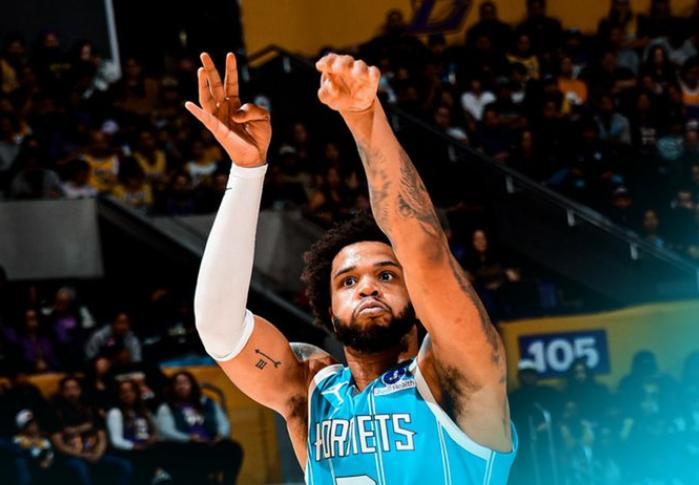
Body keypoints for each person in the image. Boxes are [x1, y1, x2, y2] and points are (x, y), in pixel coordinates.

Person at [186, 51, 516, 483]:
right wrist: (247, 172)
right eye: (347, 281)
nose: (367, 287)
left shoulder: (456, 374)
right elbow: (219, 329)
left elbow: (425, 253)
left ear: (417, 294)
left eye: (387, 275)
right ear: (329, 307)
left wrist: (364, 117)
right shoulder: (311, 389)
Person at [155, 371, 242, 484]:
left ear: (192, 385)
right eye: (178, 383)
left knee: (233, 448)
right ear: (172, 387)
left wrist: (220, 435)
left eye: (185, 382)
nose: (182, 386)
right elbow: (166, 430)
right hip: (184, 447)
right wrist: (188, 438)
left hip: (210, 444)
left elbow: (223, 423)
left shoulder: (208, 402)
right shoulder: (166, 407)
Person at [49, 376, 132, 485]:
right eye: (67, 389)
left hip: (95, 451)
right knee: (81, 469)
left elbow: (102, 436)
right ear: (62, 392)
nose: (71, 392)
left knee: (125, 465)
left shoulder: (90, 408)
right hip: (72, 455)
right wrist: (83, 455)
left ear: (80, 390)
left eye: (74, 388)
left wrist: (97, 453)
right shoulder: (54, 412)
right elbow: (60, 446)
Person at [107, 380, 170, 485]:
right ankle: (158, 474)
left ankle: (160, 475)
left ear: (136, 393)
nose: (128, 394)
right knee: (147, 455)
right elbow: (116, 440)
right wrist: (134, 446)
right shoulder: (115, 413)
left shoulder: (144, 411)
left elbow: (157, 430)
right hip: (128, 449)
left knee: (164, 447)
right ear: (119, 395)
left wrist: (154, 436)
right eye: (123, 392)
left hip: (146, 446)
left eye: (131, 391)